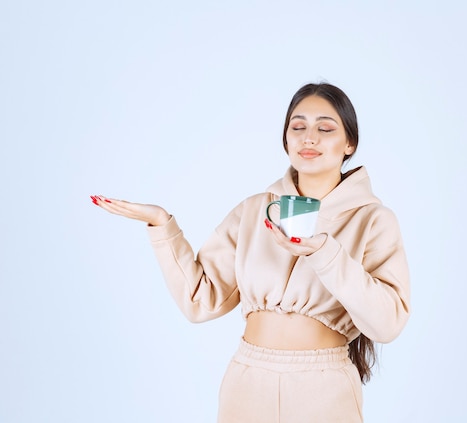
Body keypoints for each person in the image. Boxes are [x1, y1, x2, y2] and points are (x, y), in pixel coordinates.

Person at [91, 82, 411, 422]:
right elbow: (201, 299)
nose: (309, 137)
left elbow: (387, 323)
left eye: (325, 128)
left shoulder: (374, 219)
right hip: (247, 382)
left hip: (324, 388)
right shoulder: (254, 210)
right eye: (298, 126)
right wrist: (162, 225)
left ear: (350, 143)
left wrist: (325, 254)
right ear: (286, 139)